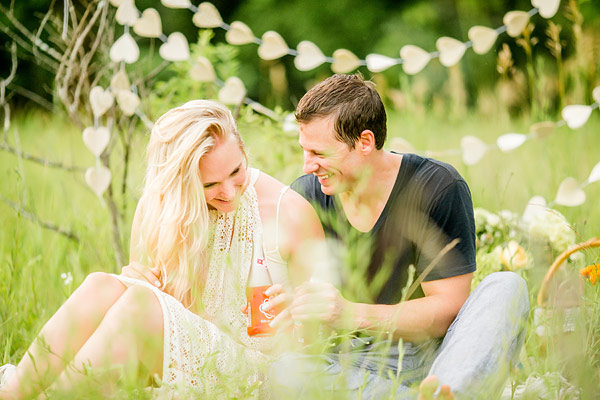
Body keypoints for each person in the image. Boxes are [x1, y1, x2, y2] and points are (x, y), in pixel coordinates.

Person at [0, 100, 323, 398]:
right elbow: (153, 319)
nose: (228, 192)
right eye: (208, 185)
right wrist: (136, 280)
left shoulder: (288, 212)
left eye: (236, 171)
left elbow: (329, 333)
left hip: (263, 373)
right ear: (181, 183)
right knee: (103, 284)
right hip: (182, 354)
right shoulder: (160, 210)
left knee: (140, 304)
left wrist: (298, 315)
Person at [264, 74, 530, 399]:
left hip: (435, 357)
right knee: (285, 372)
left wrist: (350, 313)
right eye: (305, 151)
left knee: (506, 286)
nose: (308, 166)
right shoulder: (305, 197)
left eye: (320, 154)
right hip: (346, 362)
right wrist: (297, 307)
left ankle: (448, 390)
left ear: (364, 142)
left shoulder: (437, 187)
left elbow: (448, 310)